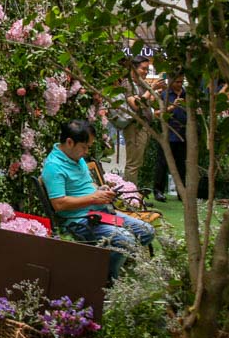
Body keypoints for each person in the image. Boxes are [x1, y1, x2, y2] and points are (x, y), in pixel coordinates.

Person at [42, 119, 155, 281]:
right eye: (85, 147)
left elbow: (88, 184)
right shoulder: (54, 167)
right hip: (79, 221)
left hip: (99, 213)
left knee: (147, 231)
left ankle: (110, 263)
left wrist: (100, 189)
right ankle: (106, 278)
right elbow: (59, 204)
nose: (87, 151)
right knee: (125, 240)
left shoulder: (75, 157)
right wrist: (93, 198)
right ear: (69, 142)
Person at [123, 56, 165, 184]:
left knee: (138, 161)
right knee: (133, 163)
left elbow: (149, 103)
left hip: (145, 125)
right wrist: (150, 90)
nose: (146, 71)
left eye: (148, 69)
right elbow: (136, 105)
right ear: (133, 68)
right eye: (143, 69)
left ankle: (133, 193)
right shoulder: (127, 84)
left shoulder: (142, 84)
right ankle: (128, 196)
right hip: (135, 126)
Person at [153, 72, 187, 202]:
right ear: (171, 82)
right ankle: (158, 191)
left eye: (181, 81)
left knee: (181, 165)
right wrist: (172, 107)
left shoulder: (187, 95)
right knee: (162, 163)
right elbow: (156, 113)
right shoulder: (164, 95)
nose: (179, 84)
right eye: (177, 82)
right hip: (167, 134)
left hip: (183, 135)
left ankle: (181, 192)